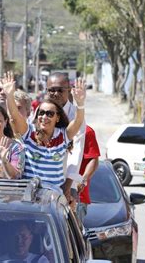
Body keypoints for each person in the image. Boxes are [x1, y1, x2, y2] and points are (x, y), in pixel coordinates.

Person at [4, 75, 86, 188]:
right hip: (30, 196)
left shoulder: (63, 136)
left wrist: (80, 103)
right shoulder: (29, 132)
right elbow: (15, 116)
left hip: (53, 198)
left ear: (57, 118)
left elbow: (78, 121)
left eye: (50, 114)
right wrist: (9, 96)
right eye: (41, 113)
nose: (44, 117)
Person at [46, 72, 87, 202]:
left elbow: (77, 151)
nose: (56, 93)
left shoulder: (76, 115)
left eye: (60, 90)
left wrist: (67, 185)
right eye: (51, 90)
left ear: (68, 90)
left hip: (66, 182)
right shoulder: (41, 112)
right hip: (44, 180)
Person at [75, 126, 101, 220]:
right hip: (49, 195)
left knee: (70, 234)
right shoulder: (53, 128)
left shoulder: (86, 131)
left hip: (76, 197)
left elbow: (94, 160)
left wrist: (83, 180)